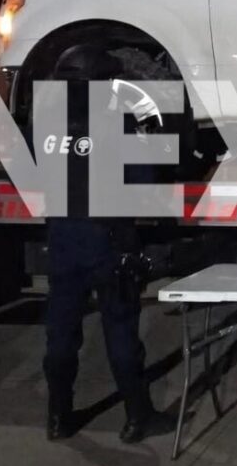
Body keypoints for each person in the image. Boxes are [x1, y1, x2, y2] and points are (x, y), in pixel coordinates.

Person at [43, 56, 170, 443]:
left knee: (61, 334)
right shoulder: (119, 123)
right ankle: (137, 417)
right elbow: (144, 181)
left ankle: (58, 418)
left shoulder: (44, 124)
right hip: (109, 243)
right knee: (120, 330)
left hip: (62, 240)